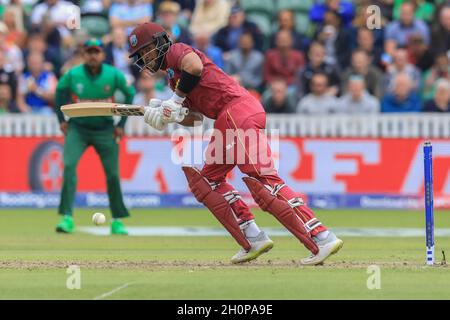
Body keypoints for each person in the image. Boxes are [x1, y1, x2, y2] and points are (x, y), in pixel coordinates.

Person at [128, 22, 343, 265]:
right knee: (207, 183)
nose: (145, 59)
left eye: (146, 51)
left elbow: (195, 66)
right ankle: (252, 238)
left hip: (236, 111)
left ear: (159, 43)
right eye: (141, 56)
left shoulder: (177, 51)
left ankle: (321, 236)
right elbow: (196, 119)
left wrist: (175, 101)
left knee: (263, 180)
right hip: (227, 118)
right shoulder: (173, 79)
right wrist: (169, 115)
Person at [54, 39, 136, 235]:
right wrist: (61, 120)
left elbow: (130, 93)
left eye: (96, 52)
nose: (92, 55)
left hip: (106, 129)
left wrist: (121, 124)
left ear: (102, 55)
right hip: (78, 129)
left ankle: (117, 221)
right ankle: (67, 218)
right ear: (83, 55)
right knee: (69, 166)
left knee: (113, 175)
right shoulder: (73, 75)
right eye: (89, 52)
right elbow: (59, 92)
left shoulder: (113, 74)